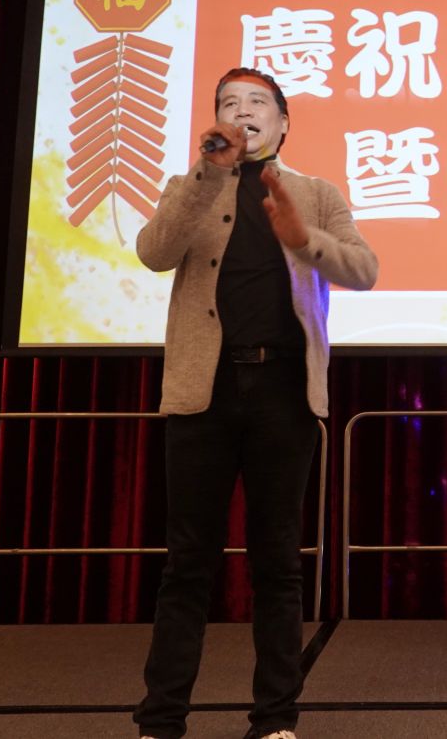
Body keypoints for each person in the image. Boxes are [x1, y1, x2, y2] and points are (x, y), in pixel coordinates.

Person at [133, 66, 379, 739]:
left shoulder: (317, 194)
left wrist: (304, 239)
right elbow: (154, 253)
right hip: (203, 391)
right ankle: (161, 721)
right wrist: (205, 173)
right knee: (188, 562)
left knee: (277, 562)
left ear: (282, 122)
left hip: (283, 393)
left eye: (256, 103)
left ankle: (275, 719)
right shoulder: (190, 186)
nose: (242, 112)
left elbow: (364, 270)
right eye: (229, 103)